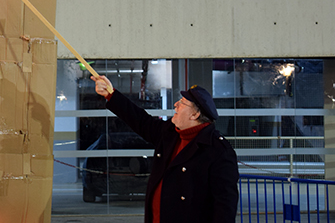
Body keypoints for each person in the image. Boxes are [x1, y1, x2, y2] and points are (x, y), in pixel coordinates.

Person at [91, 78, 239, 223]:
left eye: (182, 103)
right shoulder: (171, 133)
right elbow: (140, 120)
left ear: (195, 115)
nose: (176, 105)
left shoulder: (218, 151)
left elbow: (225, 207)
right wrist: (111, 94)